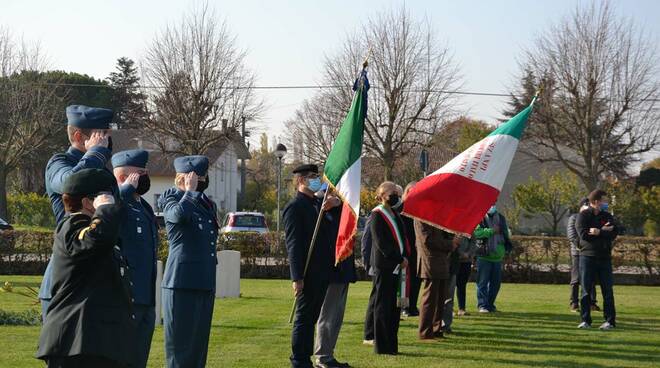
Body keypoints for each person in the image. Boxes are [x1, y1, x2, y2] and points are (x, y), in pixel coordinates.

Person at [36, 168, 135, 367]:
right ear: (88, 202)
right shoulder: (72, 226)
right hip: (77, 341)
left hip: (94, 342)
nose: (113, 202)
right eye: (106, 197)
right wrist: (105, 211)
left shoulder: (95, 229)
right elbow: (94, 240)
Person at [41, 105, 114, 321]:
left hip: (97, 278)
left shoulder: (101, 167)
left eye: (107, 136)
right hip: (68, 276)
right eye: (100, 136)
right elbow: (70, 184)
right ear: (78, 135)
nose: (106, 142)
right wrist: (95, 153)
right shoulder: (59, 162)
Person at [159, 156, 218, 368]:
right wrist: (190, 192)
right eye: (197, 177)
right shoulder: (171, 198)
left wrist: (194, 194)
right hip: (181, 284)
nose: (201, 181)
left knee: (198, 348)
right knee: (180, 349)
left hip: (204, 281)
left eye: (203, 177)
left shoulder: (207, 204)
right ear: (184, 178)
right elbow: (178, 216)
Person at [283, 164, 341, 368]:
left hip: (322, 269)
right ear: (300, 180)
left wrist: (334, 205)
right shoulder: (295, 207)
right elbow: (294, 245)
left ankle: (306, 357)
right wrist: (296, 277)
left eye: (317, 176)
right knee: (304, 317)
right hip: (307, 270)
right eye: (311, 176)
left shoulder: (317, 203)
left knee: (313, 316)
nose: (316, 179)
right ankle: (299, 359)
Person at [111, 149, 158, 368]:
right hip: (126, 298)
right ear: (123, 177)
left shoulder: (144, 208)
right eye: (141, 172)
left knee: (140, 359)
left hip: (146, 298)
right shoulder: (118, 203)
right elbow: (106, 216)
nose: (146, 176)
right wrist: (124, 191)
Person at [313, 184, 355, 368]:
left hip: (342, 269)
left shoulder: (339, 204)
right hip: (331, 270)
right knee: (327, 315)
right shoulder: (320, 202)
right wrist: (335, 202)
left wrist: (338, 202)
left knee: (336, 317)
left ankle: (328, 354)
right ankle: (322, 356)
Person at [365, 181, 408, 354]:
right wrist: (398, 258)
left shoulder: (395, 214)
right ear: (383, 194)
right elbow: (381, 242)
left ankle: (392, 344)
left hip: (397, 265)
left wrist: (404, 257)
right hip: (385, 265)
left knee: (394, 306)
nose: (395, 195)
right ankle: (381, 345)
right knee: (383, 305)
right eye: (392, 192)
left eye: (396, 192)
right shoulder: (377, 214)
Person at [576, 189, 620, 330]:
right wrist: (603, 232)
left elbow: (614, 233)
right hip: (587, 258)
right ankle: (585, 320)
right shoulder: (582, 216)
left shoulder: (606, 216)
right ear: (595, 201)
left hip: (604, 258)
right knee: (586, 290)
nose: (606, 203)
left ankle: (609, 321)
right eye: (604, 201)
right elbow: (584, 235)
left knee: (607, 290)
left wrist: (598, 231)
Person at [415, 220, 458, 340]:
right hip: (430, 261)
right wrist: (450, 244)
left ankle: (436, 328)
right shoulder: (421, 217)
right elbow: (427, 240)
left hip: (441, 261)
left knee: (440, 299)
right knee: (430, 299)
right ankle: (425, 332)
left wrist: (453, 237)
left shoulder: (435, 216)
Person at [474, 205, 512, 313]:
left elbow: (505, 235)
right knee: (482, 282)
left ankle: (490, 305)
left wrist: (506, 250)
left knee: (496, 284)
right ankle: (482, 305)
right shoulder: (480, 217)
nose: (492, 206)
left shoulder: (501, 218)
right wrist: (491, 231)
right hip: (484, 256)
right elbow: (477, 233)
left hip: (497, 257)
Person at [567, 198, 599, 313]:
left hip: (590, 253)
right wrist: (581, 246)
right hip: (577, 252)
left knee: (591, 279)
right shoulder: (574, 218)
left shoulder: (592, 218)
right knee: (575, 279)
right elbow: (572, 235)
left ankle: (592, 303)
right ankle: (574, 303)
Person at [399, 182, 421, 318]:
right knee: (405, 282)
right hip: (405, 251)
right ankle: (404, 307)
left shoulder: (419, 210)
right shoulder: (401, 211)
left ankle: (412, 306)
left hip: (417, 251)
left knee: (416, 280)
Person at [442, 235, 462, 333]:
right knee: (439, 297)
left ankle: (446, 325)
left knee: (449, 298)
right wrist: (451, 242)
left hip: (452, 265)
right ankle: (437, 324)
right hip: (440, 264)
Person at [456, 236, 477, 316]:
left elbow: (473, 241)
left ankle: (462, 308)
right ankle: (448, 309)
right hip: (454, 260)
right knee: (449, 286)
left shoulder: (469, 227)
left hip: (466, 261)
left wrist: (469, 253)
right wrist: (461, 253)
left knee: (462, 285)